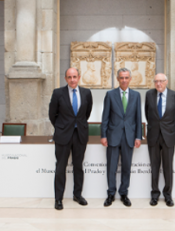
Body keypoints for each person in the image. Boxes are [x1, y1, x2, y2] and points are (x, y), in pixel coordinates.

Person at [49, 67, 93, 210]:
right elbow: (52, 114)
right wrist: (62, 127)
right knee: (60, 167)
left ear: (79, 77)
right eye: (69, 77)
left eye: (74, 76)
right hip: (63, 135)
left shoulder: (86, 93)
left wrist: (77, 125)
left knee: (78, 166)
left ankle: (77, 195)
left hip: (80, 134)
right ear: (65, 78)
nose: (72, 80)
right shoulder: (58, 93)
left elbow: (86, 113)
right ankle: (58, 199)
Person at [101, 67, 142, 207]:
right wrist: (103, 135)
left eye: (126, 77)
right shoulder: (110, 94)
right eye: (121, 77)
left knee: (126, 167)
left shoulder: (136, 95)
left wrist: (138, 137)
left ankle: (124, 193)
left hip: (129, 137)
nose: (124, 80)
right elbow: (105, 117)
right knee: (111, 167)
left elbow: (138, 118)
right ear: (118, 79)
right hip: (113, 135)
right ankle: (111, 193)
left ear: (130, 79)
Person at [145, 73, 175, 207]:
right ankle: (154, 195)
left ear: (166, 81)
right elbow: (147, 113)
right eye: (156, 81)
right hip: (153, 135)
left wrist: (167, 127)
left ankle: (168, 195)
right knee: (154, 167)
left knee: (168, 167)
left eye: (161, 81)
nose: (158, 84)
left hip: (168, 135)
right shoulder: (149, 95)